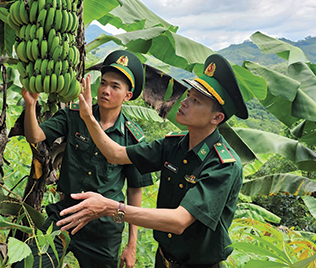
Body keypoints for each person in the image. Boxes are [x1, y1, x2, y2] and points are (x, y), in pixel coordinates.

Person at [56, 54, 248, 268]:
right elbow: (116, 154)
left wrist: (111, 208)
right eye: (188, 95)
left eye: (196, 101)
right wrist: (89, 119)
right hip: (163, 260)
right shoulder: (173, 145)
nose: (184, 102)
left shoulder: (223, 165)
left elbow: (179, 221)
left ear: (216, 118)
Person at [21, 50, 154, 268]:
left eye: (115, 87)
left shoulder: (133, 137)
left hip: (104, 227)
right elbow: (34, 136)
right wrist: (30, 105)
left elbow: (134, 190)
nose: (106, 91)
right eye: (103, 83)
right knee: (29, 264)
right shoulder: (73, 116)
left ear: (127, 96)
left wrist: (131, 244)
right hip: (66, 213)